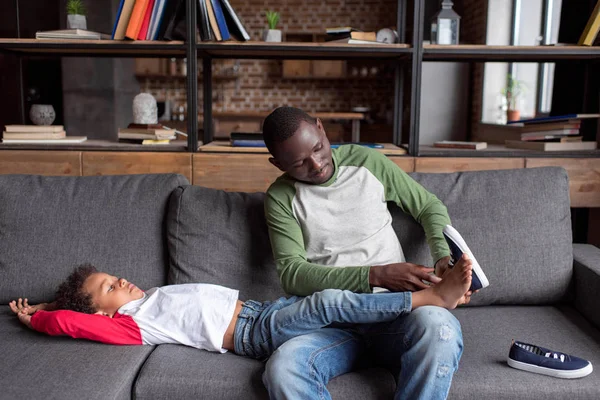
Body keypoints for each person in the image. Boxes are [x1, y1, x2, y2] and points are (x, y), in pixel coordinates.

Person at [262, 106, 472, 399]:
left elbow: (428, 207)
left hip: (399, 314)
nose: (317, 165)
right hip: (334, 326)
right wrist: (375, 275)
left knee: (440, 329)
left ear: (321, 128)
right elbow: (292, 275)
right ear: (277, 164)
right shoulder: (280, 198)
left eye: (319, 149)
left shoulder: (366, 161)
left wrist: (441, 259)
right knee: (284, 367)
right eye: (299, 163)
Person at [11, 259, 472, 363]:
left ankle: (427, 295)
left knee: (345, 312)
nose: (120, 281)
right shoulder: (133, 325)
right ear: (104, 315)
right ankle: (432, 299)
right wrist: (42, 315)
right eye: (110, 287)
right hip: (255, 333)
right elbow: (73, 321)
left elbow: (82, 308)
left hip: (265, 310)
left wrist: (54, 297)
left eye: (113, 275)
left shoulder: (146, 297)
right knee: (330, 299)